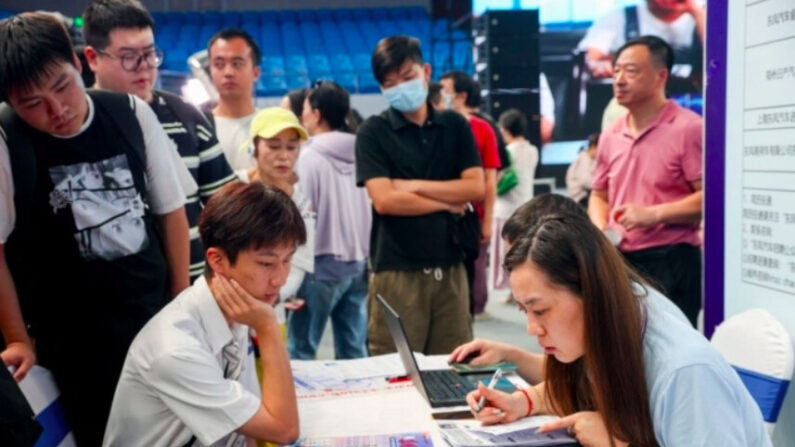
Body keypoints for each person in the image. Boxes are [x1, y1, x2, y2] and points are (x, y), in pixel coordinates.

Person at [0, 12, 191, 445]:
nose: (57, 110)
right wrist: (17, 338)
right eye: (32, 104)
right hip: (75, 347)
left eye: (62, 86)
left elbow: (171, 212)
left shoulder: (129, 113)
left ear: (78, 61)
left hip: (153, 322)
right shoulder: (7, 139)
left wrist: (181, 302)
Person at [454, 213, 771, 447]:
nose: (532, 328)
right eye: (525, 311)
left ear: (589, 293)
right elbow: (580, 386)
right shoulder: (607, 325)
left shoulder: (684, 370)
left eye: (540, 310)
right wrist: (523, 401)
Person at [103, 181, 303, 447]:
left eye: (287, 259)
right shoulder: (175, 349)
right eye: (266, 263)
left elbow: (250, 426)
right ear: (217, 260)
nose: (280, 278)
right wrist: (267, 327)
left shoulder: (238, 308)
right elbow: (283, 430)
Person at [83, 0, 237, 281]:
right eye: (129, 56)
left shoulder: (185, 115)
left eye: (150, 53)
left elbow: (227, 207)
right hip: (117, 301)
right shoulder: (77, 123)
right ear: (93, 58)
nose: (144, 67)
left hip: (194, 290)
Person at [356, 35, 484, 355]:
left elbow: (475, 188)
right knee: (394, 368)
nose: (400, 87)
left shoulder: (455, 125)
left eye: (407, 77)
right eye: (389, 82)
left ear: (426, 72)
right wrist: (450, 201)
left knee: (456, 365)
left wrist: (411, 186)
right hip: (397, 268)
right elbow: (385, 201)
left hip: (451, 265)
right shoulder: (373, 132)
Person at [588, 35, 703, 326]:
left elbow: (709, 198)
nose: (619, 79)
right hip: (622, 259)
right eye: (616, 71)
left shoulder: (688, 128)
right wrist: (600, 229)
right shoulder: (611, 134)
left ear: (660, 76)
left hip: (672, 258)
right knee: (623, 347)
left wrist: (653, 214)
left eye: (631, 70)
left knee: (668, 352)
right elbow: (599, 193)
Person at [288, 81, 371, 360]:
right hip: (358, 264)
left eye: (306, 109)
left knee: (301, 350)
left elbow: (302, 213)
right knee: (354, 351)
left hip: (319, 267)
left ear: (318, 114)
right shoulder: (363, 151)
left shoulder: (309, 156)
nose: (304, 115)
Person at [236, 107, 315, 326]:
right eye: (273, 146)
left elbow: (299, 263)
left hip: (270, 312)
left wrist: (267, 297)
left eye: (292, 147)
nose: (284, 155)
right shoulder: (233, 188)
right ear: (254, 148)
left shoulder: (301, 204)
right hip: (228, 305)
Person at [440, 70, 500, 318]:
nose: (441, 95)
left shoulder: (482, 129)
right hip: (438, 215)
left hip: (472, 217)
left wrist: (487, 222)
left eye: (445, 90)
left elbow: (490, 180)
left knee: (470, 276)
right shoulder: (435, 127)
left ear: (461, 96)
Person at [578, 0, 705, 80]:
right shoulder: (618, 18)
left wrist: (697, 12)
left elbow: (720, 59)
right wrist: (600, 66)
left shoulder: (707, 15)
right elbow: (586, 59)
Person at [491, 109, 538, 290]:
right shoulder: (532, 150)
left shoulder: (507, 152)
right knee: (525, 253)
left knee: (506, 253)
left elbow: (498, 178)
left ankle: (510, 287)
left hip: (505, 209)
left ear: (505, 130)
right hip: (527, 208)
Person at [208, 28, 261, 171]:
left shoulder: (269, 127)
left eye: (237, 64)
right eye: (219, 65)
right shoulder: (201, 129)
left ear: (255, 73)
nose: (228, 72)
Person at [566, 133, 599, 207]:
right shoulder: (584, 158)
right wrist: (601, 186)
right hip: (580, 198)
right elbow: (585, 180)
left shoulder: (592, 160)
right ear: (594, 147)